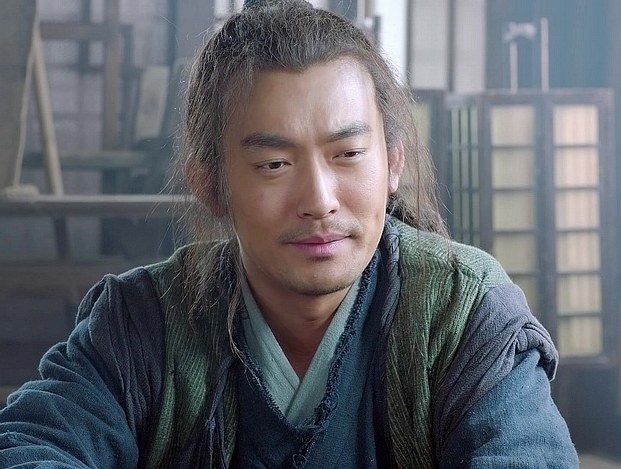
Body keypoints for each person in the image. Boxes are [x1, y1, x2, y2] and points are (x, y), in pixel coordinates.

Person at [0, 0, 578, 466]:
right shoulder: (142, 322)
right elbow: (34, 444)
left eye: (348, 153)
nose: (319, 201)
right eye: (274, 164)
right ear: (211, 185)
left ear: (393, 163)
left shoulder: (461, 312)